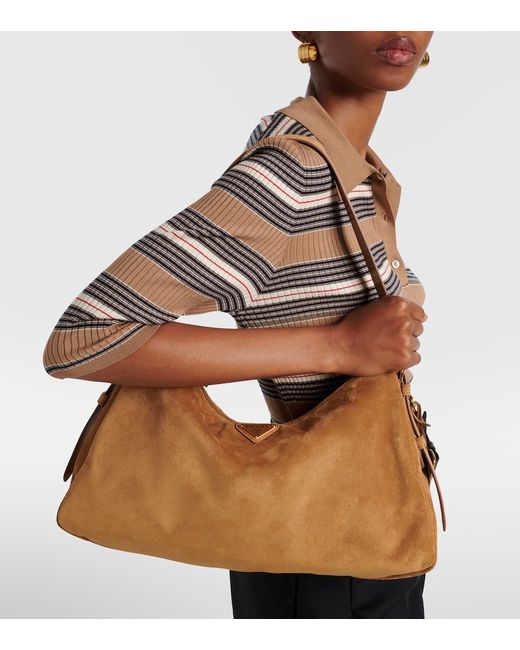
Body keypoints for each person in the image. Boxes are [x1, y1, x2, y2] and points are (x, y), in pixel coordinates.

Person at [43, 30, 433, 618]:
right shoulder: (291, 174)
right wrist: (335, 347)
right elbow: (81, 339)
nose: (400, 22)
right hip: (324, 552)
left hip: (351, 527)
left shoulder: (352, 168)